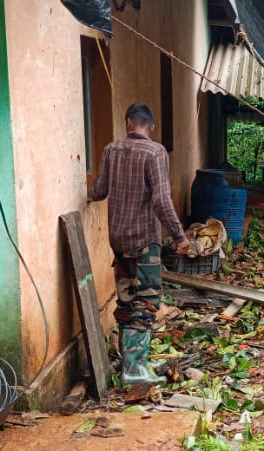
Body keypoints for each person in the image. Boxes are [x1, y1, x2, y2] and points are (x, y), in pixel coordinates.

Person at [89, 103, 189, 384]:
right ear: (151, 127)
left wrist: (82, 193)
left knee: (126, 302)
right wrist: (179, 235)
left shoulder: (111, 149)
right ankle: (135, 372)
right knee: (145, 305)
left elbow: (98, 191)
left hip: (118, 243)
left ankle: (128, 367)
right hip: (144, 243)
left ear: (127, 122)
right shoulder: (155, 152)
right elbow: (160, 199)